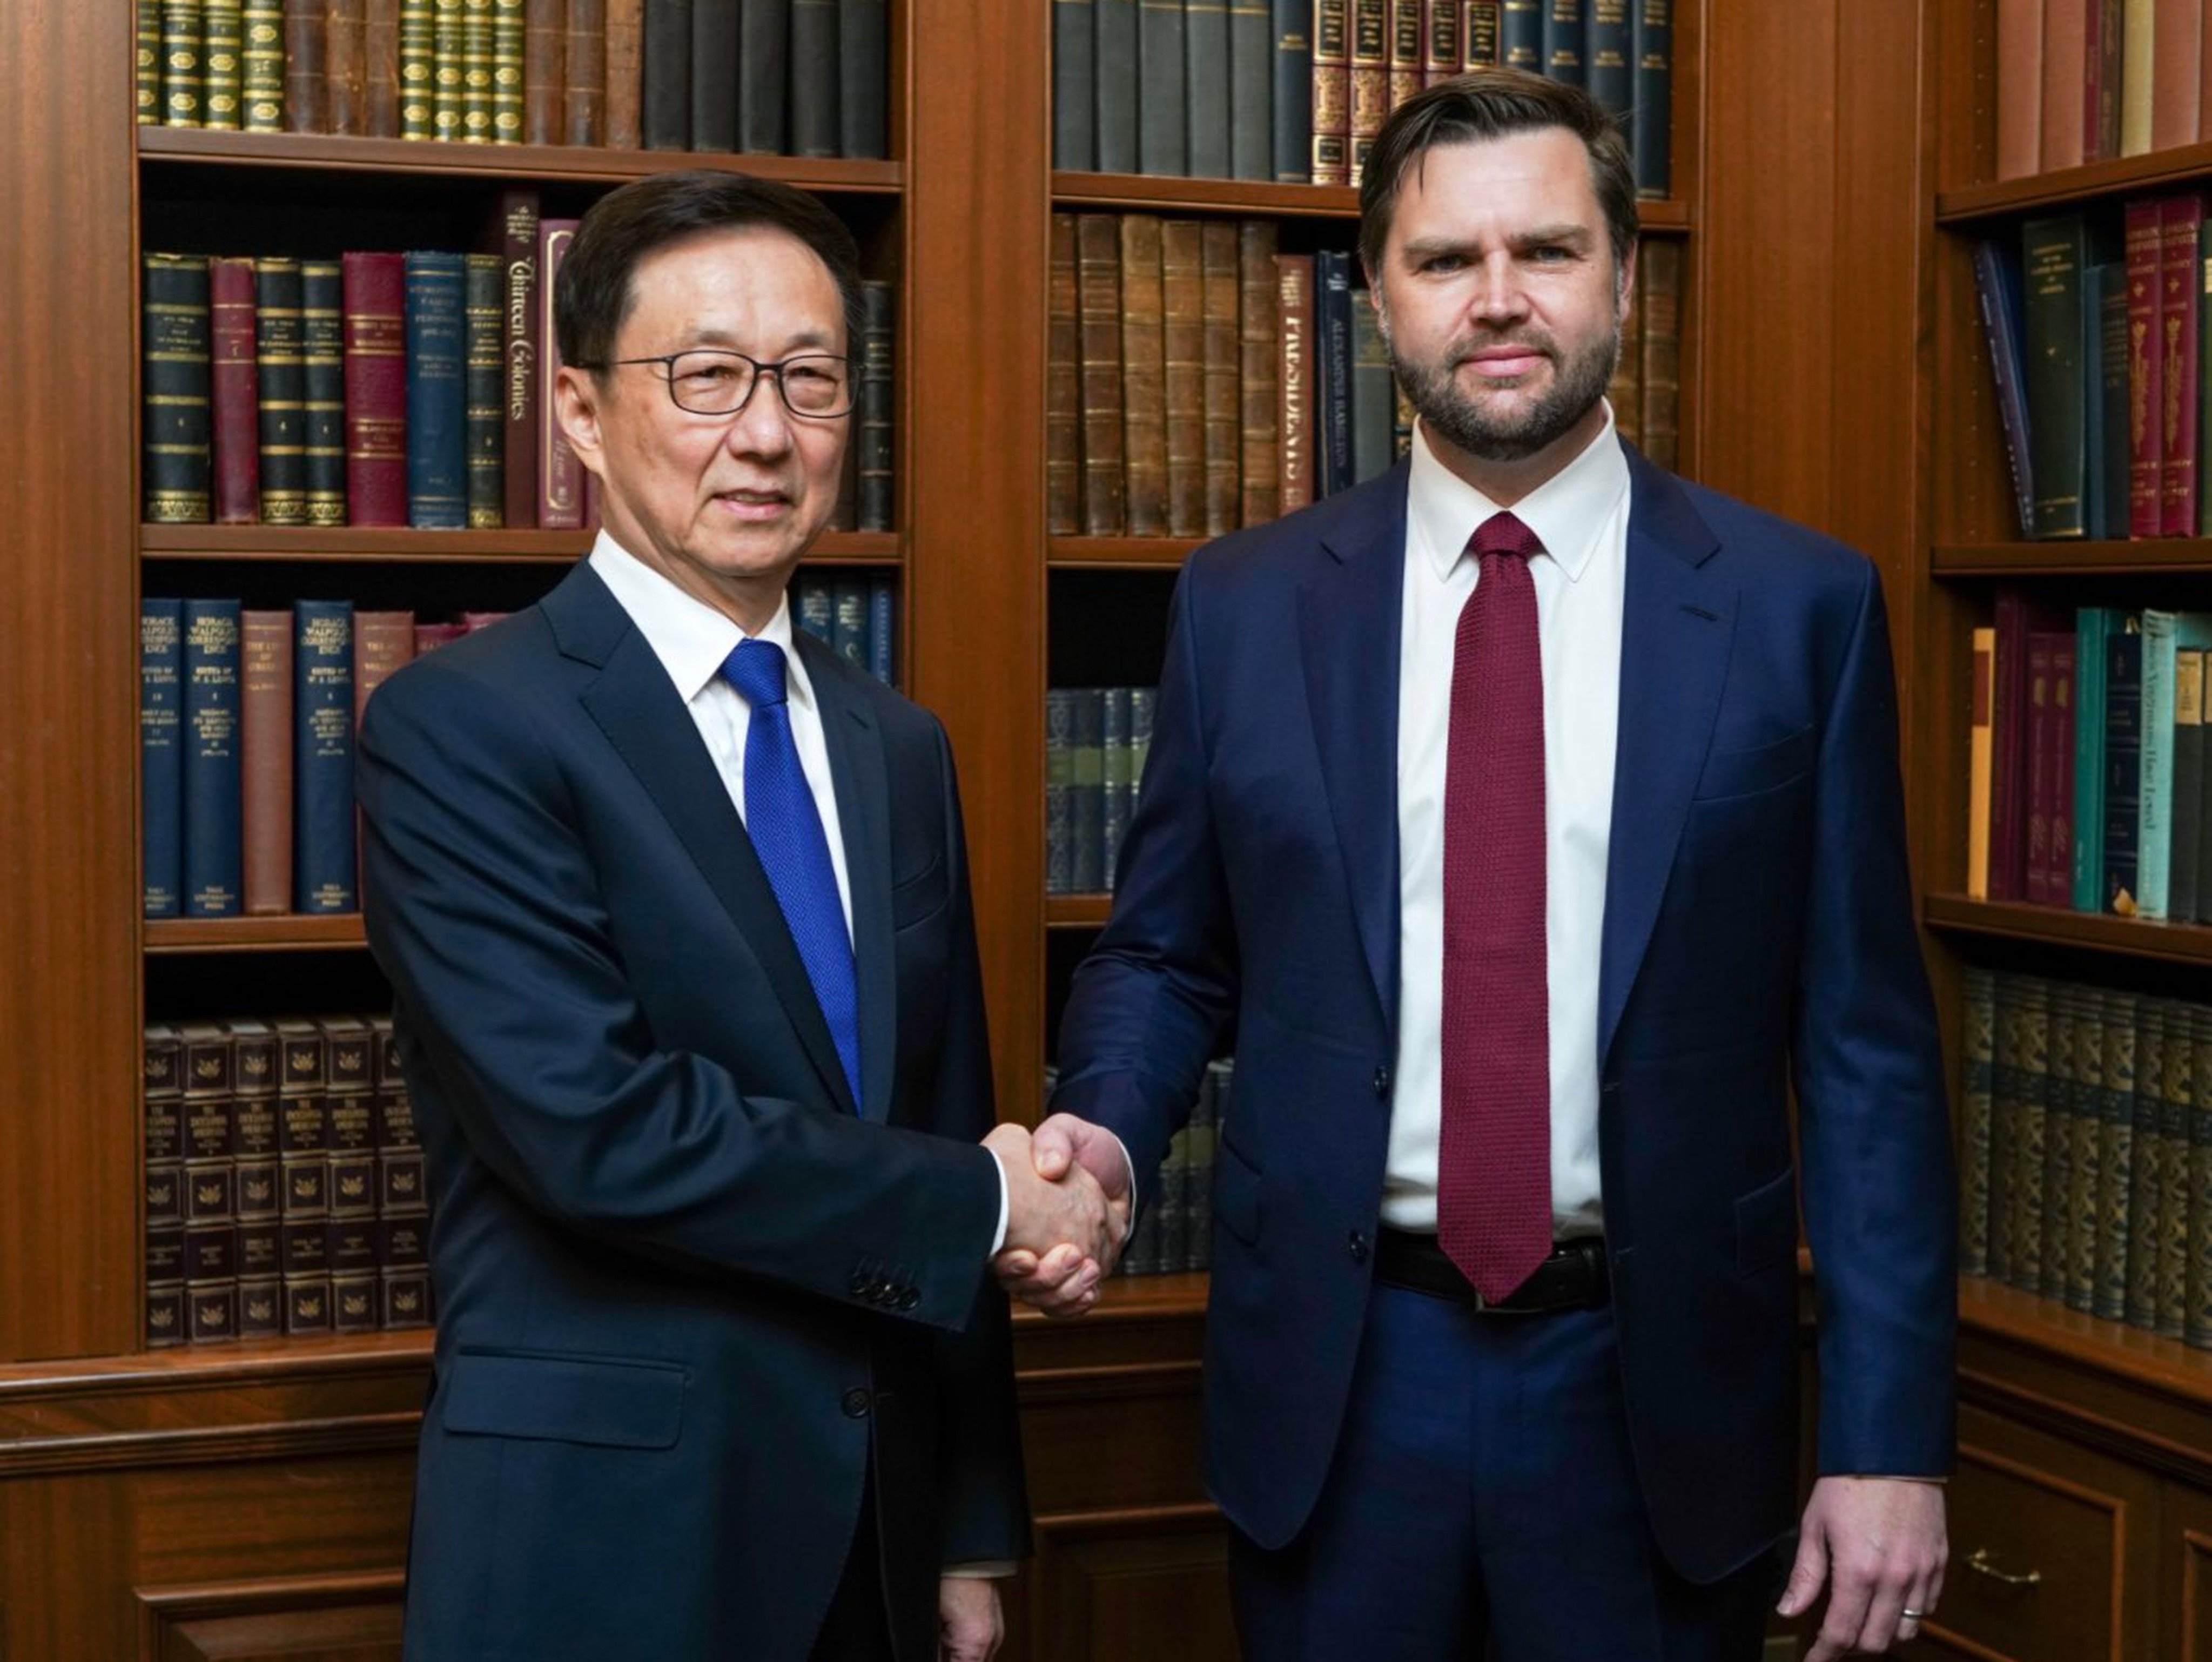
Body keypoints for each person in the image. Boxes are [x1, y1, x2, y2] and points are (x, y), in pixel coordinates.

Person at [999, 68, 1955, 1662]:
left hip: (1659, 1394)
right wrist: (1097, 1137)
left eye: (1549, 251)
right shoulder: (1245, 606)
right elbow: (1169, 953)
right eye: (1445, 261)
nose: (1498, 301)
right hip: (1343, 1378)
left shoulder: (1800, 611)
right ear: (1377, 295)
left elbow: (1865, 1051)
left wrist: (1888, 1436)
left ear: (1626, 284)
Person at [358, 169, 1119, 1662]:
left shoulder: (895, 743)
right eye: (705, 379)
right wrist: (990, 1208)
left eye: (810, 380)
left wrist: (968, 1528)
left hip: (877, 1539)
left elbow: (942, 1105)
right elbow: (599, 1132)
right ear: (579, 413)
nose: (765, 432)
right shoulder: (460, 727)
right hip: (610, 1540)